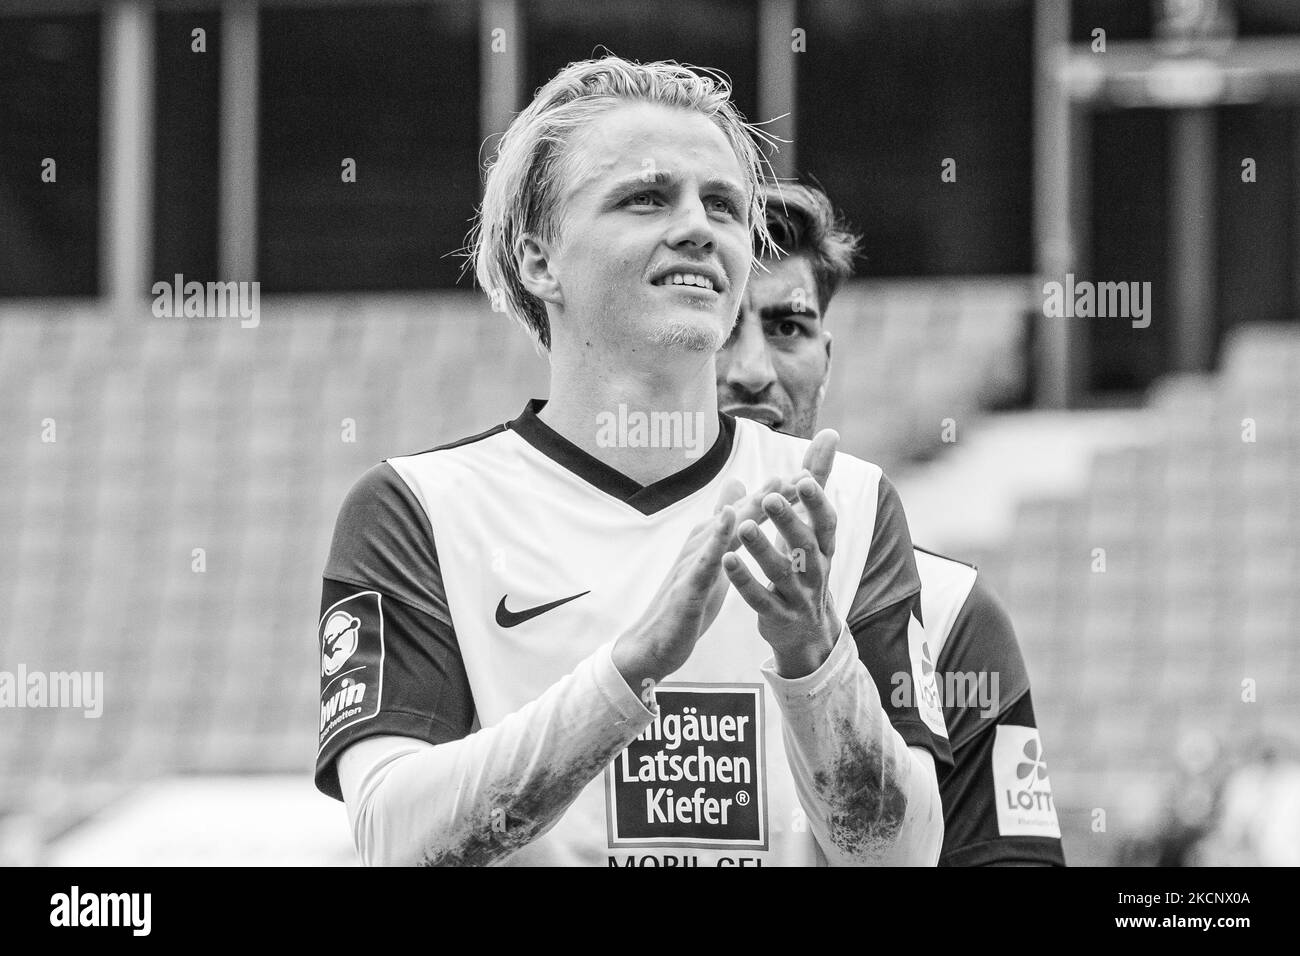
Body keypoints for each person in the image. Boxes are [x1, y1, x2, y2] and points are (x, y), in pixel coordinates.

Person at [314, 57, 950, 866]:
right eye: (647, 197)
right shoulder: (420, 507)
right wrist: (629, 671)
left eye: (723, 204)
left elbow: (903, 859)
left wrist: (814, 654)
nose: (700, 227)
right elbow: (391, 840)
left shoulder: (846, 504)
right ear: (539, 259)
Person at [717, 181, 1066, 866]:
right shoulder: (597, 591)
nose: (752, 371)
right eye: (721, 328)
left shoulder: (951, 611)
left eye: (787, 326)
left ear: (826, 357)